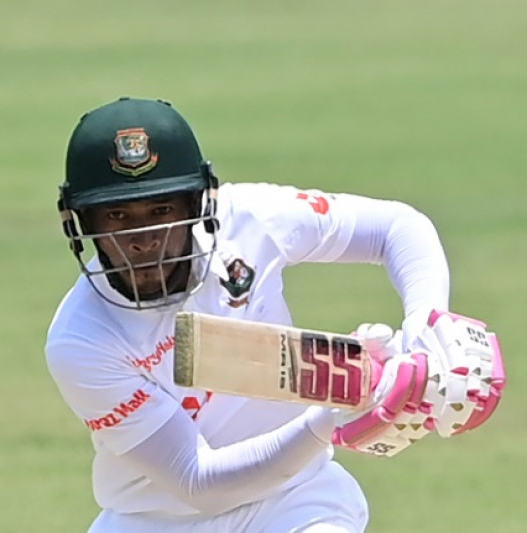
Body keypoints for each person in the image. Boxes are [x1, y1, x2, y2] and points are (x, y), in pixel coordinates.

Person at [45, 97, 505, 533]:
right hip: (153, 519)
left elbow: (396, 228)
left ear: (199, 204)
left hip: (295, 497)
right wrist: (331, 417)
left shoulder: (247, 220)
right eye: (117, 216)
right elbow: (196, 482)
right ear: (82, 223)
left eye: (162, 209)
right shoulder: (81, 338)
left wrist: (426, 327)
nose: (144, 239)